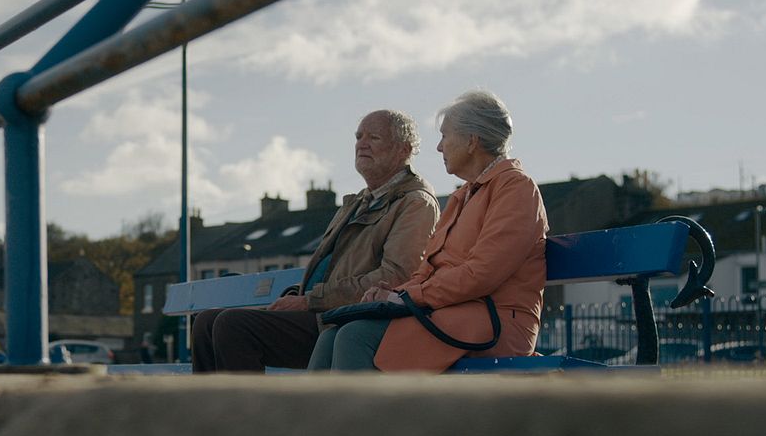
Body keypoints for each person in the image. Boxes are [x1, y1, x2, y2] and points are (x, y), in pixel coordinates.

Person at [308, 90, 548, 372]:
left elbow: (481, 274)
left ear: (472, 141)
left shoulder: (516, 188)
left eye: (445, 136)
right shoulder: (462, 196)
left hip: (494, 321)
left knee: (355, 337)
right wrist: (392, 293)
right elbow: (427, 271)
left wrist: (409, 297)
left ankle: (367, 405)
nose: (439, 147)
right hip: (450, 312)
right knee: (331, 336)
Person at [191, 110, 440, 372]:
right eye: (358, 137)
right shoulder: (357, 202)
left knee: (232, 325)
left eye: (374, 137)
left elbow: (397, 276)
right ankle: (207, 401)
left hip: (345, 321)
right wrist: (298, 295)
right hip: (319, 312)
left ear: (403, 149)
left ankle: (243, 401)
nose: (362, 144)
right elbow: (333, 269)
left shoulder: (415, 203)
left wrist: (310, 300)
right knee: (205, 322)